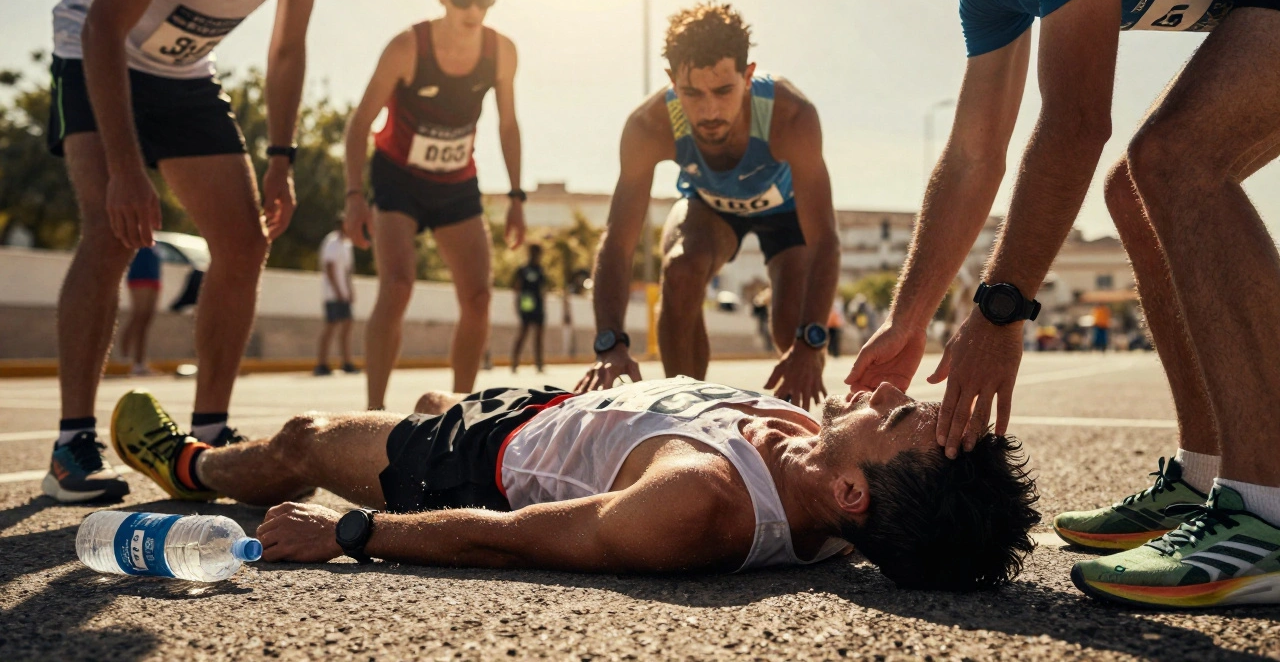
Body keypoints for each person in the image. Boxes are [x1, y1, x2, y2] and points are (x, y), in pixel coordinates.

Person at [833, 0, 1280, 607]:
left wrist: (999, 310)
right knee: (1136, 188)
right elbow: (971, 157)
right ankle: (1203, 474)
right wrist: (909, 317)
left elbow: (1076, 119)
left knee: (1175, 159)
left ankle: (1265, 513)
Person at [110, 378, 1039, 590]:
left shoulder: (700, 504)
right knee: (434, 391)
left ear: (853, 497)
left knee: (312, 440)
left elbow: (510, 539)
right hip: (563, 400)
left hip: (485, 455)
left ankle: (193, 465)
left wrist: (347, 535)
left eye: (899, 417)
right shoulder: (825, 468)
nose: (883, 394)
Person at [42, 0, 337, 504]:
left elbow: (287, 48)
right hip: (94, 52)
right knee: (110, 231)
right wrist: (126, 170)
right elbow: (103, 27)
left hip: (182, 73)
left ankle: (209, 434)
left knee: (246, 243)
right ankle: (70, 445)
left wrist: (282, 159)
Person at [575, 3, 841, 410]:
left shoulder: (790, 115)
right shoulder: (650, 125)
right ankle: (687, 414)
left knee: (791, 328)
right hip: (711, 207)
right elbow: (619, 239)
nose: (709, 111)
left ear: (748, 76)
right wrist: (609, 342)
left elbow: (825, 239)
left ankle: (794, 422)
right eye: (692, 93)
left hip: (785, 215)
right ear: (671, 82)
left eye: (723, 91)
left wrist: (811, 341)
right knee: (680, 269)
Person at [343, 0, 524, 409]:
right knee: (398, 285)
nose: (474, 12)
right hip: (398, 176)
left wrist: (518, 196)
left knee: (480, 296)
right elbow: (361, 120)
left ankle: (458, 412)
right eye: (464, 1)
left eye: (485, 1)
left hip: (456, 180)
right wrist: (353, 195)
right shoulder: (407, 47)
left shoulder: (501, 51)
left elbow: (507, 125)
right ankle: (374, 413)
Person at [316, 215, 356, 376]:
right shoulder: (332, 242)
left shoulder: (347, 245)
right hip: (332, 294)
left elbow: (347, 271)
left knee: (347, 325)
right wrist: (338, 291)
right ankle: (322, 363)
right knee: (331, 327)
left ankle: (346, 362)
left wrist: (350, 290)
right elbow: (329, 267)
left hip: (343, 294)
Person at [120, 245, 162, 376]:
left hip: (153, 278)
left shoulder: (155, 241)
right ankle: (124, 356)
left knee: (146, 320)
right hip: (139, 278)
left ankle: (140, 362)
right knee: (138, 317)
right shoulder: (136, 232)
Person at [510, 243, 546, 373]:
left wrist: (543, 306)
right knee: (523, 332)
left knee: (539, 335)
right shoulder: (523, 270)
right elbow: (517, 288)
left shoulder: (540, 270)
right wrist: (518, 306)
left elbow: (543, 289)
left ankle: (539, 363)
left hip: (538, 303)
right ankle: (514, 362)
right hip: (527, 302)